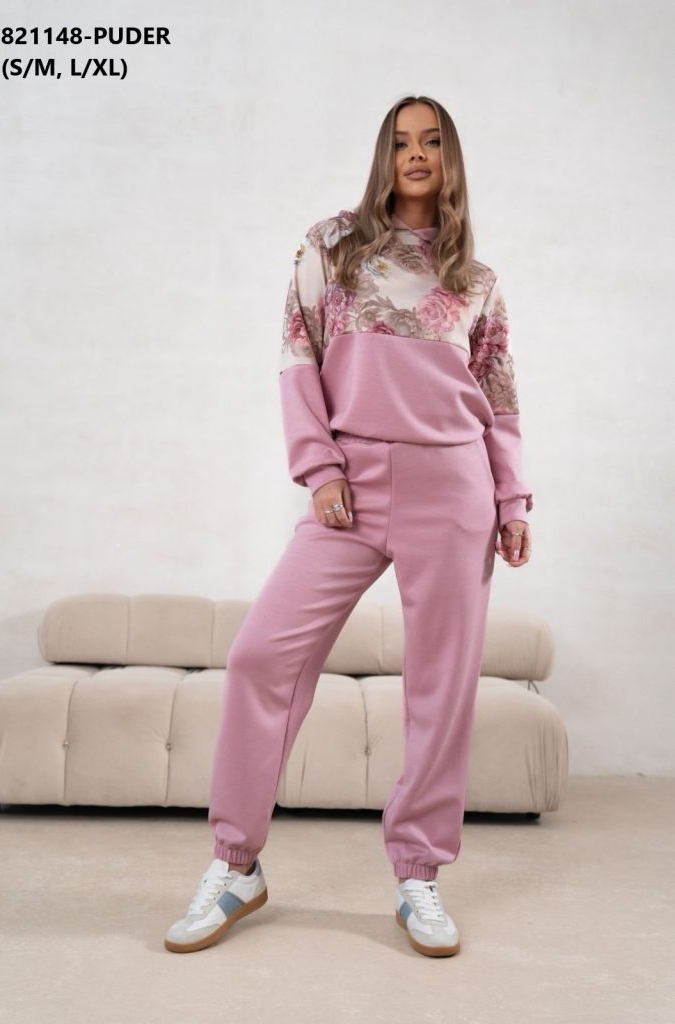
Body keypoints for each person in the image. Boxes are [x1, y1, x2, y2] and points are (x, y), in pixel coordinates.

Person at [165, 94, 533, 958]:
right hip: (352, 483)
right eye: (401, 141)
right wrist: (321, 468)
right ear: (383, 155)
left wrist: (513, 500)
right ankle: (236, 864)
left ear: (450, 158)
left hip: (455, 485)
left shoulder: (475, 279)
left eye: (431, 141)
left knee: (440, 686)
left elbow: (500, 395)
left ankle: (419, 874)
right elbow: (297, 358)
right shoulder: (331, 247)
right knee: (262, 654)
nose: (416, 154)